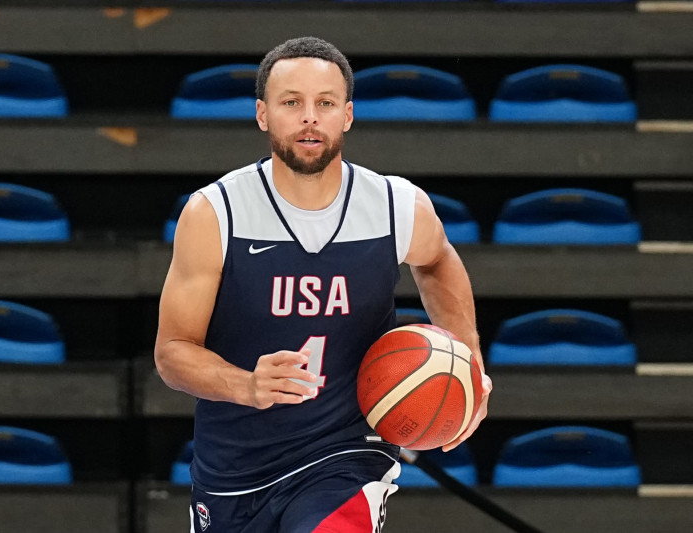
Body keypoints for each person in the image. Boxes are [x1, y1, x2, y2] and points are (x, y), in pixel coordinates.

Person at [154, 36, 493, 533]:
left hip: (347, 457)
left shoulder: (394, 206)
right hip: (233, 470)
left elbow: (438, 260)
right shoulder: (216, 213)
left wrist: (468, 359)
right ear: (263, 114)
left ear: (348, 115)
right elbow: (173, 352)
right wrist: (247, 385)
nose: (309, 117)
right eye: (292, 102)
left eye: (325, 103)